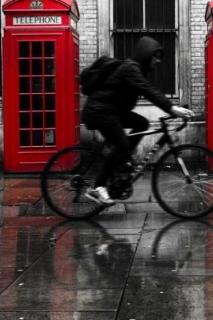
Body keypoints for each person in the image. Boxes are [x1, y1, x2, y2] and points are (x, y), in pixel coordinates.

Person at [81, 36, 194, 205]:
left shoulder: (137, 69)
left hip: (112, 111)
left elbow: (145, 90)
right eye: (155, 56)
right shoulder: (131, 68)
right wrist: (171, 108)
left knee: (141, 123)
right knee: (122, 146)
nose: (157, 61)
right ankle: (98, 187)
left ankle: (124, 158)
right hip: (101, 112)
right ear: (145, 54)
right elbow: (147, 90)